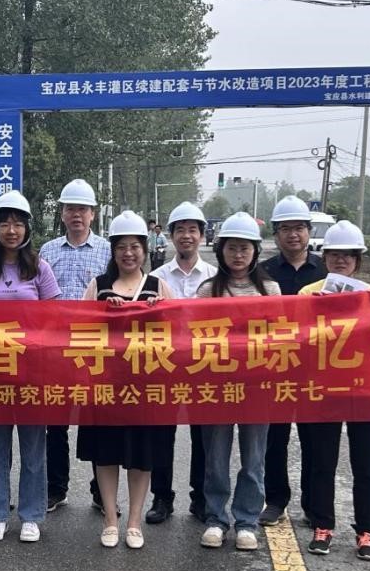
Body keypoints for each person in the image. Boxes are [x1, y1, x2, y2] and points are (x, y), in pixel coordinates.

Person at [0, 191, 61, 543]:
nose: (11, 230)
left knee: (33, 445)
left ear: (27, 229)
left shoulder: (40, 268)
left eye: (18, 223)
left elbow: (54, 319)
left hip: (32, 371)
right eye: (4, 223)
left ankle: (31, 514)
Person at [77, 210, 174, 550]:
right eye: (121, 247)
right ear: (113, 251)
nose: (128, 253)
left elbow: (177, 336)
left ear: (145, 249)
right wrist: (104, 312)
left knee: (141, 456)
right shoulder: (98, 286)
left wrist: (157, 311)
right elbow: (79, 332)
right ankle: (110, 518)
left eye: (135, 247)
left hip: (144, 388)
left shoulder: (158, 287)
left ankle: (134, 521)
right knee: (105, 454)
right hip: (105, 386)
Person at [296, 221, 370, 561]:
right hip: (324, 390)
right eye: (334, 254)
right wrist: (313, 311)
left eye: (349, 255)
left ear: (357, 260)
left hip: (366, 390)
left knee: (365, 466)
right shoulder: (308, 293)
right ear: (325, 258)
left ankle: (366, 531)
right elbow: (297, 340)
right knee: (322, 462)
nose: (341, 260)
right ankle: (322, 526)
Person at [195, 212, 280, 552]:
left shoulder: (269, 290)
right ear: (221, 251)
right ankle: (216, 519)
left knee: (254, 459)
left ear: (256, 251)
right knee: (215, 459)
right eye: (232, 248)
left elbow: (280, 337)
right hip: (217, 387)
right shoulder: (208, 290)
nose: (238, 254)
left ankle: (246, 521)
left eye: (245, 248)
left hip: (257, 388)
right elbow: (193, 338)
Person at [38, 178, 111, 513]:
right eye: (71, 209)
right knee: (55, 422)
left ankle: (100, 491)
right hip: (55, 348)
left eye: (83, 209)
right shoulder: (48, 251)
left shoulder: (108, 251)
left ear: (93, 214)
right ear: (63, 213)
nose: (77, 215)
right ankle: (56, 488)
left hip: (95, 347)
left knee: (97, 420)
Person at [146, 201, 218, 525]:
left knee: (204, 436)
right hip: (165, 366)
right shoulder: (155, 278)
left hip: (204, 367)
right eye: (180, 230)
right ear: (171, 235)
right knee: (162, 434)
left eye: (192, 230)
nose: (186, 236)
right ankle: (162, 497)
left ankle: (200, 498)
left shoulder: (215, 278)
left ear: (201, 235)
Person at [258, 195, 326, 527]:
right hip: (276, 367)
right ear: (276, 234)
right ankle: (275, 500)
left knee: (315, 441)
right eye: (285, 229)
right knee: (275, 439)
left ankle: (314, 505)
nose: (293, 235)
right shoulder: (263, 272)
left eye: (299, 228)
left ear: (309, 231)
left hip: (317, 369)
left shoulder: (327, 270)